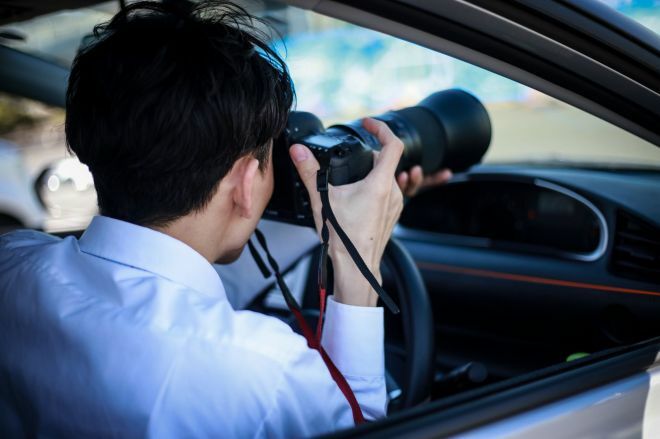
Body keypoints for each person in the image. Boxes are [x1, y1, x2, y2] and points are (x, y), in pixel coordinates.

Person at [0, 1, 450, 437]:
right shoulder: (260, 370)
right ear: (247, 182)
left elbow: (179, 276)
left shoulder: (14, 264)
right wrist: (358, 263)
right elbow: (365, 426)